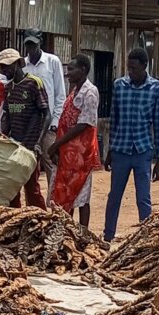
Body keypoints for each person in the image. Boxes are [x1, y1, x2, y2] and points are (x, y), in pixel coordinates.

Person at [103, 48, 159, 242]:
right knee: (114, 196)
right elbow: (114, 120)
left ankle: (145, 239)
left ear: (145, 66)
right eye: (129, 68)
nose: (131, 72)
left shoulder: (157, 88)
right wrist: (110, 151)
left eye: (135, 68)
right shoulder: (119, 85)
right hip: (120, 149)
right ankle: (107, 236)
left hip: (142, 150)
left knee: (143, 198)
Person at [47, 54, 102, 228]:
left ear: (83, 70)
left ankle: (82, 234)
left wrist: (56, 144)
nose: (67, 73)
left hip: (81, 155)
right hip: (68, 154)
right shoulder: (74, 91)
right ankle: (65, 231)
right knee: (66, 193)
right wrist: (59, 147)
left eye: (71, 69)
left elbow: (84, 124)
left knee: (81, 196)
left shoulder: (90, 92)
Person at [0, 48, 50, 210]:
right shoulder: (8, 88)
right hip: (14, 145)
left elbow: (46, 114)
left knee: (32, 189)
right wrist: (1, 137)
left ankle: (42, 222)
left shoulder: (34, 83)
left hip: (30, 145)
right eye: (3, 67)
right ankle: (16, 221)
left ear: (18, 64)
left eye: (8, 66)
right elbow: (7, 115)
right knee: (12, 188)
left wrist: (39, 143)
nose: (5, 70)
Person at [23, 27, 67, 186]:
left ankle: (54, 203)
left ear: (40, 43)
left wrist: (55, 122)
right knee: (28, 165)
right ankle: (33, 205)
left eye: (33, 45)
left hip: (48, 123)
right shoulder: (23, 65)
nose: (31, 49)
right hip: (29, 124)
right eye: (28, 45)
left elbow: (60, 94)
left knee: (51, 163)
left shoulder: (52, 62)